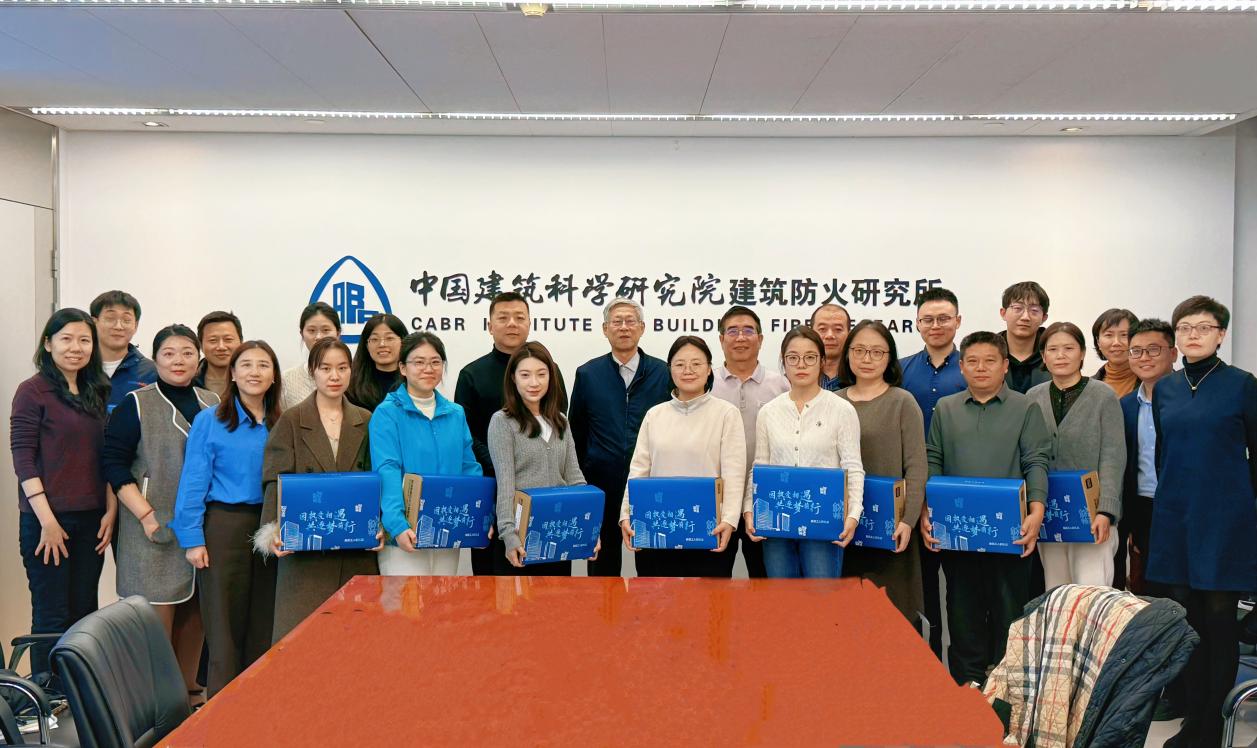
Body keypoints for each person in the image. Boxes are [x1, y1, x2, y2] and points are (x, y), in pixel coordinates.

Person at [1148, 296, 1257, 747]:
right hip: (1176, 516)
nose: (1194, 334)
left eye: (1204, 327)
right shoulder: (1166, 389)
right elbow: (1163, 454)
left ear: (1221, 335)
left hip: (1226, 518)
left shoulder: (1242, 385)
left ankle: (1213, 723)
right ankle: (1194, 717)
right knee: (1186, 622)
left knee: (1219, 619)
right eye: (1185, 327)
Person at [922, 331, 1051, 687]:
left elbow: (1036, 460)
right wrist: (926, 511)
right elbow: (933, 459)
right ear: (962, 367)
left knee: (1010, 614)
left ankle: (1007, 691)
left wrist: (1036, 511)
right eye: (973, 361)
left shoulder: (1025, 407)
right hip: (957, 533)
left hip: (1011, 532)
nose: (981, 368)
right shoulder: (946, 408)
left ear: (1005, 366)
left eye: (990, 361)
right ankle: (966, 688)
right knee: (962, 613)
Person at [101, 324, 218, 701]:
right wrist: (146, 515)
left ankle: (189, 697)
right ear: (156, 359)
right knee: (153, 625)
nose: (178, 360)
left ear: (198, 358)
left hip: (200, 529)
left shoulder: (213, 402)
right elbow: (113, 463)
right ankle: (152, 708)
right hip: (150, 530)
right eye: (168, 353)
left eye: (187, 352)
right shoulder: (135, 404)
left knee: (196, 614)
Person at [170, 341, 281, 698]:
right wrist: (192, 539)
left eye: (263, 365)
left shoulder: (283, 421)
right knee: (223, 629)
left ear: (274, 375)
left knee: (264, 624)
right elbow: (193, 481)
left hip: (272, 528)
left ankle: (259, 705)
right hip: (224, 526)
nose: (254, 372)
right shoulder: (211, 420)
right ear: (232, 373)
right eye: (245, 365)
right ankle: (223, 710)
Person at [10, 308, 113, 679]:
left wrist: (111, 510)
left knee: (84, 614)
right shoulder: (32, 391)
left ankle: (78, 695)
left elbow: (107, 456)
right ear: (48, 343)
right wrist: (48, 522)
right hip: (46, 522)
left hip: (92, 519)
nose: (76, 347)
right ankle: (46, 695)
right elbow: (23, 459)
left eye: (84, 340)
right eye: (66, 339)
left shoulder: (96, 390)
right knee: (51, 616)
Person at [256, 337, 379, 642]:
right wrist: (273, 531)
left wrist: (380, 526)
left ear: (351, 371)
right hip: (305, 554)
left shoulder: (366, 419)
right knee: (303, 642)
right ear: (312, 372)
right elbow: (275, 479)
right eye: (325, 368)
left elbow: (379, 478)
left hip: (355, 549)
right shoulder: (292, 419)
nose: (334, 376)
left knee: (356, 641)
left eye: (342, 368)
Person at [455, 292, 567, 576]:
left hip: (545, 498)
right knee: (497, 583)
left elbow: (557, 427)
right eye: (503, 318)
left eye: (519, 317)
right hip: (493, 489)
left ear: (530, 323)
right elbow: (466, 434)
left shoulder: (551, 370)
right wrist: (504, 463)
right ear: (490, 325)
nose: (512, 324)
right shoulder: (472, 374)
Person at [618, 336, 744, 578]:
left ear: (709, 369)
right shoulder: (655, 415)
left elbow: (734, 473)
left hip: (709, 530)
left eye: (696, 364)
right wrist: (626, 514)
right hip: (658, 527)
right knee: (658, 598)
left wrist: (729, 520)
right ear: (670, 369)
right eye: (680, 364)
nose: (688, 370)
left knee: (709, 600)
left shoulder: (726, 414)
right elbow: (638, 471)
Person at [746, 326, 863, 579]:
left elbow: (853, 467)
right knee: (782, 595)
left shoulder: (841, 409)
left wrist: (853, 514)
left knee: (822, 597)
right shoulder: (769, 411)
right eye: (793, 357)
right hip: (775, 519)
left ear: (822, 361)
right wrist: (749, 510)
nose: (801, 364)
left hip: (824, 520)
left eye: (810, 357)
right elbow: (760, 466)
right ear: (783, 363)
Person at [570, 297, 670, 577]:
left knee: (652, 564)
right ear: (605, 329)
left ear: (642, 328)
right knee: (602, 566)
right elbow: (577, 431)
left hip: (648, 483)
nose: (624, 327)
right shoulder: (588, 374)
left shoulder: (663, 372)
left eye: (630, 321)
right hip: (601, 483)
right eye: (617, 322)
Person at [371, 332, 482, 576]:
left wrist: (479, 516)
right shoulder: (387, 413)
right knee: (405, 599)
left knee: (444, 598)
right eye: (419, 362)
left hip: (448, 528)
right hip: (405, 533)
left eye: (435, 362)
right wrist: (397, 525)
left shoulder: (455, 413)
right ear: (403, 368)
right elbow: (387, 471)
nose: (428, 369)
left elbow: (469, 468)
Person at [836, 321, 925, 623]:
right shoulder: (833, 402)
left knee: (892, 616)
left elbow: (916, 466)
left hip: (890, 526)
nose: (867, 358)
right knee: (846, 615)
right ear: (848, 354)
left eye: (877, 352)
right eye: (859, 350)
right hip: (843, 527)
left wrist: (908, 520)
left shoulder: (902, 401)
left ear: (889, 358)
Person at [1025, 322, 1125, 588]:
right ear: (1043, 356)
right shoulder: (1032, 397)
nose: (1060, 355)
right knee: (1056, 591)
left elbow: (1113, 457)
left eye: (1069, 348)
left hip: (1092, 515)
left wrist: (1106, 511)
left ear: (1082, 353)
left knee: (1092, 591)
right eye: (1053, 349)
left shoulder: (1104, 396)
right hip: (1050, 512)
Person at [900, 287, 966, 656]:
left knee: (962, 588)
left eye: (943, 318)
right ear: (917, 324)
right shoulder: (902, 369)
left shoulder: (972, 366)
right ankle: (928, 662)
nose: (936, 325)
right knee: (922, 588)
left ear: (958, 321)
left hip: (961, 489)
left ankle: (963, 670)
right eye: (928, 319)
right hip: (915, 489)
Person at [490, 342, 592, 576]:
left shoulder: (561, 421)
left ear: (551, 377)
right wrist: (509, 535)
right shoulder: (502, 422)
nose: (534, 382)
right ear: (513, 378)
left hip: (558, 533)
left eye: (541, 374)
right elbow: (505, 484)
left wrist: (588, 528)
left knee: (556, 599)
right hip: (520, 538)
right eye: (525, 375)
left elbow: (575, 478)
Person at [710, 305, 788, 578]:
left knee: (766, 584)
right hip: (717, 502)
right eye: (732, 331)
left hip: (765, 500)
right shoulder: (706, 383)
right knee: (714, 585)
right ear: (721, 339)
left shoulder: (782, 385)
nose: (741, 337)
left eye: (748, 331)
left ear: (761, 339)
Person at [1120, 317, 1177, 595]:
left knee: (1188, 590)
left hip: (1183, 506)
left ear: (1173, 353)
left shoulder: (1189, 400)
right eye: (1136, 351)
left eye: (1154, 350)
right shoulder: (1126, 405)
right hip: (1144, 507)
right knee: (1153, 589)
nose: (1144, 357)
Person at [90, 290, 157, 413]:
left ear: (135, 325)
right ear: (94, 322)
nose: (118, 326)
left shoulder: (152, 373)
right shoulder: (79, 368)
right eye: (110, 319)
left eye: (126, 320)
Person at [279, 302, 341, 411]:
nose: (318, 337)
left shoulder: (351, 376)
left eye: (326, 330)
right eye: (311, 331)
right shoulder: (287, 379)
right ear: (302, 334)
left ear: (338, 333)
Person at [998, 281, 1051, 395]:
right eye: (1018, 308)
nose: (1025, 317)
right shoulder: (989, 351)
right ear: (1003, 313)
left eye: (1034, 310)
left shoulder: (1053, 353)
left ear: (1044, 317)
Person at [346, 314, 405, 412]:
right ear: (366, 345)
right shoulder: (351, 386)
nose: (382, 344)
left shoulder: (413, 382)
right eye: (374, 339)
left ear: (403, 341)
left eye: (389, 338)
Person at [1091, 308, 1140, 399]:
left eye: (1124, 335)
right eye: (1109, 335)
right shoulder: (1087, 388)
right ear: (1098, 342)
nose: (1116, 342)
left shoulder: (1152, 380)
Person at [193, 311, 243, 399]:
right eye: (213, 340)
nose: (221, 347)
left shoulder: (252, 379)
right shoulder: (188, 381)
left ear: (241, 342)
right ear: (200, 345)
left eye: (228, 339)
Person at [810, 303, 851, 392]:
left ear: (849, 334)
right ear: (811, 333)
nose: (830, 335)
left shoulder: (858, 377)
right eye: (822, 329)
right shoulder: (796, 377)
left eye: (838, 329)